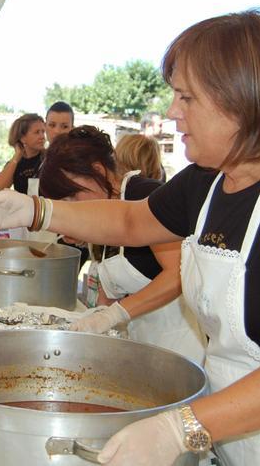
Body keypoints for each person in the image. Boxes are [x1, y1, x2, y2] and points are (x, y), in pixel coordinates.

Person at [0, 9, 260, 465]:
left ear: (244, 99)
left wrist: (181, 426)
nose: (172, 112)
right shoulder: (205, 182)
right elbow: (132, 222)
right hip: (235, 430)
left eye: (186, 97)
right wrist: (38, 210)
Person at [39, 126, 205, 362]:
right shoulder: (103, 215)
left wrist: (115, 314)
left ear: (97, 171)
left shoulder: (144, 196)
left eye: (72, 197)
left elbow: (178, 274)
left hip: (176, 347)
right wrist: (97, 316)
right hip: (140, 345)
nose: (72, 207)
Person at [0, 113, 46, 194]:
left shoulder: (49, 158)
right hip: (23, 206)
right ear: (22, 138)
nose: (42, 136)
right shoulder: (15, 163)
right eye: (37, 132)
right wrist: (16, 157)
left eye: (43, 132)